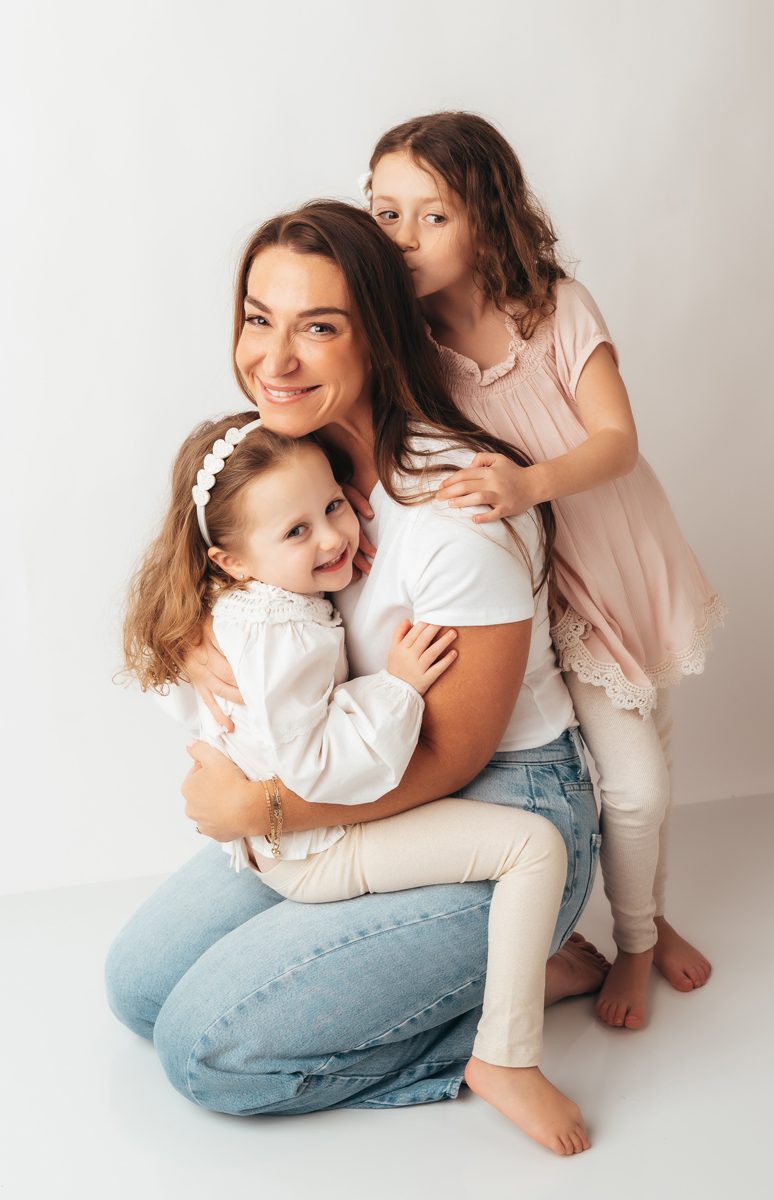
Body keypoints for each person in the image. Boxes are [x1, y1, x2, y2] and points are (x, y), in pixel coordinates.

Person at [106, 200, 607, 1140]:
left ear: (377, 335)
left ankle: (507, 996)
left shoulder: (451, 507)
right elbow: (210, 564)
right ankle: (498, 970)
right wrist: (199, 643)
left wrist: (260, 811)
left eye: (319, 327)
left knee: (202, 1052)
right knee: (137, 991)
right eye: (260, 318)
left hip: (496, 800)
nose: (274, 358)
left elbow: (452, 756)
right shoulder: (287, 460)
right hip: (346, 769)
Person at [363, 111, 725, 1030]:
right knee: (633, 782)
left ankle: (646, 925)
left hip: (621, 550)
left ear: (485, 217)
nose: (401, 238)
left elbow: (617, 441)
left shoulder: (554, 306)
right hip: (549, 595)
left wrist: (529, 484)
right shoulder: (409, 348)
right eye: (384, 213)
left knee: (652, 759)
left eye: (430, 216)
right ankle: (635, 939)